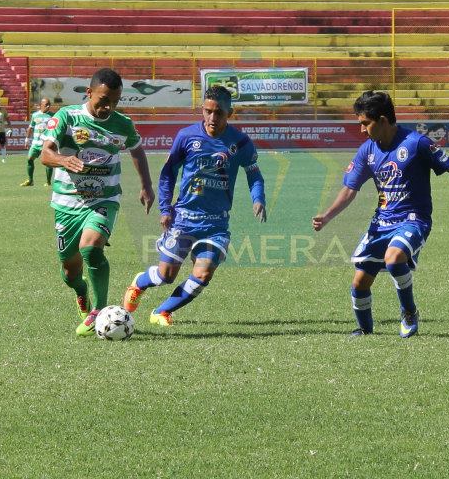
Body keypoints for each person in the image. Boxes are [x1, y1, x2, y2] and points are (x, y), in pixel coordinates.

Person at [312, 91, 449, 338]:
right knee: (359, 283)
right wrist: (327, 216)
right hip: (382, 222)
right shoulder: (367, 150)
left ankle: (409, 312)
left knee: (394, 257)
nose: (362, 130)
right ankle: (364, 330)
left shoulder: (417, 143)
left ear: (383, 120)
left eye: (365, 123)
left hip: (413, 219)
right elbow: (349, 190)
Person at [122, 85, 267, 327]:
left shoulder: (240, 142)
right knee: (165, 276)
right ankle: (139, 283)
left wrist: (258, 198)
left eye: (219, 113)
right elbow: (168, 173)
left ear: (230, 113)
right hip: (184, 218)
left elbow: (254, 174)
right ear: (202, 109)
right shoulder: (186, 136)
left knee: (203, 274)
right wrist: (165, 209)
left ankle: (161, 311)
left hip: (216, 223)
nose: (212, 118)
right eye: (208, 111)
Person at [40, 68, 155, 336]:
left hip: (104, 198)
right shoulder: (67, 117)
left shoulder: (122, 124)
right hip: (67, 203)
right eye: (103, 100)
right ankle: (81, 292)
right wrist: (63, 160)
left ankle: (100, 310)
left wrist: (146, 185)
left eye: (114, 101)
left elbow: (137, 149)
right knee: (70, 272)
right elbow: (45, 154)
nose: (108, 107)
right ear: (89, 93)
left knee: (91, 248)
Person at [20, 97, 55, 187]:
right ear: (41, 105)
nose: (48, 106)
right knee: (29, 159)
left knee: (48, 162)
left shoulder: (53, 116)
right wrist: (27, 139)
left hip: (46, 144)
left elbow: (56, 129)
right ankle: (30, 180)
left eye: (49, 104)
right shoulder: (35, 115)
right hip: (35, 143)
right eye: (46, 104)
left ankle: (48, 182)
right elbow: (30, 127)